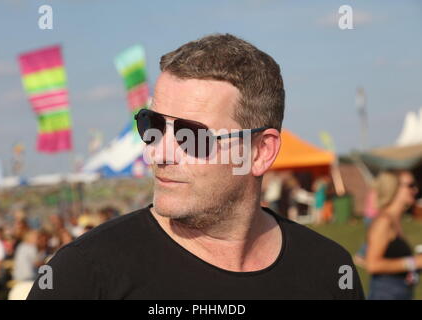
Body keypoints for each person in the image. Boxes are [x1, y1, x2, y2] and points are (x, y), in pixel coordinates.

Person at [28, 34, 364, 299]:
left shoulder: (328, 271)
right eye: (152, 125)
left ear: (261, 152)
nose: (160, 152)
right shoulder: (85, 274)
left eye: (193, 136)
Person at [366, 170, 422, 300]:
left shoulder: (394, 220)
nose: (415, 189)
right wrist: (414, 262)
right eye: (410, 185)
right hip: (386, 294)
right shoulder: (384, 221)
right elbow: (372, 265)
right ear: (395, 188)